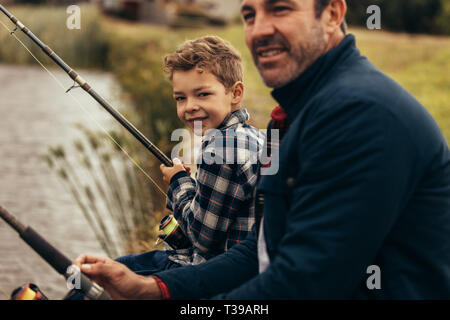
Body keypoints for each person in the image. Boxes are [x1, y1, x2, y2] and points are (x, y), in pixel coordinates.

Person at [74, 0, 450, 299]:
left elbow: (307, 281)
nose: (259, 30)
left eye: (280, 8)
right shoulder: (291, 118)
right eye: (250, 14)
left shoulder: (361, 114)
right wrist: (155, 290)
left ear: (332, 13)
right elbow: (262, 249)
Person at [114, 35, 264, 275]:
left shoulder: (221, 148)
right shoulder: (255, 136)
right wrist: (189, 185)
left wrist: (178, 183)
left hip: (215, 275)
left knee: (109, 275)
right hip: (240, 267)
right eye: (180, 98)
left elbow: (202, 236)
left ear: (235, 93)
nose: (189, 106)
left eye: (202, 94)